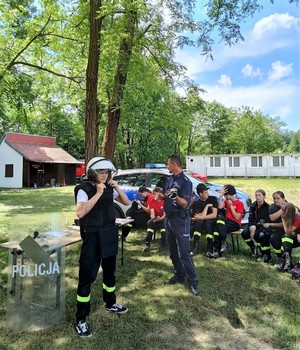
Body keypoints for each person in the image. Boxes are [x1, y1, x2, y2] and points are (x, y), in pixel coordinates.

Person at [74, 156, 130, 337]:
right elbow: (81, 212)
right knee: (87, 276)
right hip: (92, 236)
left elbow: (126, 202)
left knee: (109, 272)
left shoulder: (109, 187)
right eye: (100, 171)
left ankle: (110, 303)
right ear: (92, 172)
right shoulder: (83, 189)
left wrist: (116, 187)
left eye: (106, 172)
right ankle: (81, 319)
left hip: (109, 234)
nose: (104, 175)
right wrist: (98, 193)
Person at [163, 154, 200, 296]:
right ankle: (179, 274)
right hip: (169, 220)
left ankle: (193, 281)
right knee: (172, 252)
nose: (167, 166)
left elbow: (184, 203)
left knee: (184, 253)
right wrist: (163, 197)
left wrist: (175, 197)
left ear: (174, 164)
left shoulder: (185, 182)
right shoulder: (170, 179)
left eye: (168, 164)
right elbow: (168, 196)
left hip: (180, 220)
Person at [256, 191, 286, 264]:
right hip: (273, 228)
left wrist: (270, 224)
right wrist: (282, 210)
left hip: (284, 230)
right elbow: (272, 218)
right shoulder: (272, 207)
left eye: (278, 198)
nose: (275, 200)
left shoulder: (289, 207)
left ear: (283, 199)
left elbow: (285, 224)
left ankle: (281, 257)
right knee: (261, 235)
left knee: (274, 238)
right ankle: (266, 255)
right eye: (274, 198)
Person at [214, 184, 244, 258]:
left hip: (235, 224)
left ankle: (222, 245)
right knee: (217, 228)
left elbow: (237, 217)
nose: (224, 196)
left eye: (225, 195)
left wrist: (231, 207)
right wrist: (220, 196)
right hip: (227, 222)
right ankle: (218, 251)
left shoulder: (239, 203)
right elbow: (220, 206)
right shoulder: (226, 201)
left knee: (219, 222)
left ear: (229, 194)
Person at [190, 183, 218, 257]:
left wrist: (201, 217)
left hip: (212, 221)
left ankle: (210, 248)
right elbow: (199, 216)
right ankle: (195, 247)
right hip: (201, 223)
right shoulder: (197, 203)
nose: (207, 194)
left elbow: (214, 215)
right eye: (205, 192)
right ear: (200, 194)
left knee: (208, 223)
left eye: (207, 192)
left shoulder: (213, 199)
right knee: (198, 223)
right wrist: (206, 207)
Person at [241, 189, 270, 256]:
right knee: (244, 233)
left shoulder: (267, 207)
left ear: (264, 196)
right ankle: (252, 246)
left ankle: (263, 252)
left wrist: (255, 227)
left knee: (257, 235)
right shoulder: (253, 206)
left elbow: (264, 221)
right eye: (256, 195)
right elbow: (250, 218)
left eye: (259, 195)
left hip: (262, 226)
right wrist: (251, 226)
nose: (257, 197)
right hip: (253, 225)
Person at [143, 187, 166, 252]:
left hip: (163, 218)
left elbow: (164, 214)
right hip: (155, 218)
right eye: (155, 194)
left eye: (159, 195)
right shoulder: (151, 201)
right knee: (150, 227)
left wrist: (160, 218)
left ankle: (164, 246)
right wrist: (154, 219)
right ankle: (147, 245)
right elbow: (152, 214)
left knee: (163, 231)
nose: (157, 196)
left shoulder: (164, 201)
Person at [279, 202, 300, 273]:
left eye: (282, 211)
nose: (281, 212)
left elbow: (287, 231)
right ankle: (287, 261)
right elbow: (290, 232)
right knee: (285, 240)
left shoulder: (298, 218)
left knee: (286, 237)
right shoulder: (291, 217)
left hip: (299, 238)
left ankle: (287, 262)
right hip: (295, 237)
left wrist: (283, 220)